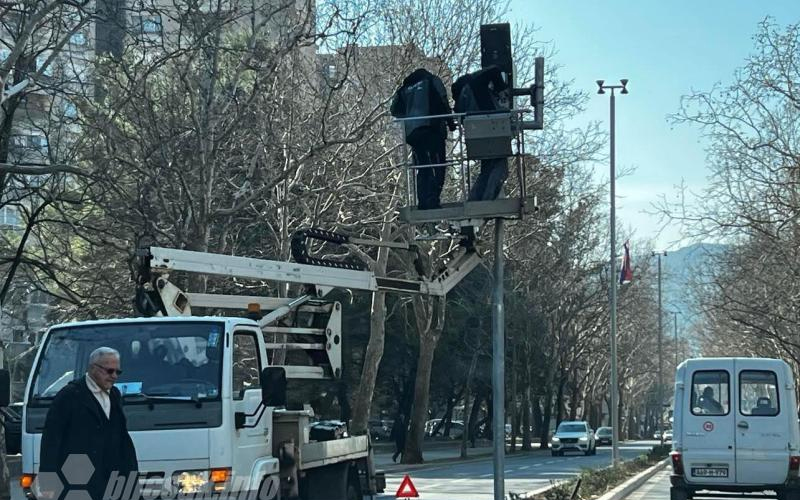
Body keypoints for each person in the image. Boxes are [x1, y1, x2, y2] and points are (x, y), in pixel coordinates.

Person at [40, 347, 138, 500]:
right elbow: (51, 441)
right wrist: (48, 483)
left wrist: (130, 474)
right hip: (77, 481)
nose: (114, 376)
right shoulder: (69, 396)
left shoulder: (114, 395)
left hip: (112, 481)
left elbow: (120, 437)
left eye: (118, 372)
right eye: (109, 371)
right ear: (93, 368)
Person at [391, 68, 456, 210]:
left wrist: (409, 116)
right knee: (438, 165)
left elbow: (394, 110)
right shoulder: (432, 80)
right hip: (432, 129)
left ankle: (422, 202)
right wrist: (451, 123)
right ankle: (432, 200)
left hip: (413, 134)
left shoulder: (405, 88)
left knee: (423, 167)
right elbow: (442, 101)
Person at [451, 65, 510, 202]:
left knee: (487, 169)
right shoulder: (476, 81)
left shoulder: (460, 100)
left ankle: (475, 199)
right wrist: (501, 89)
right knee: (500, 166)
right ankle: (487, 201)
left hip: (475, 135)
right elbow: (495, 70)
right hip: (492, 127)